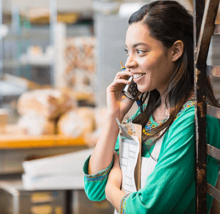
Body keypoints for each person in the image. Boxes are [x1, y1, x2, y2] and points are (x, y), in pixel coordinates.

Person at [83, 1, 220, 213]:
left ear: (175, 51)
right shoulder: (146, 111)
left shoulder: (192, 120)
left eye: (140, 51)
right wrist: (114, 116)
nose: (129, 62)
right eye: (128, 51)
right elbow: (94, 188)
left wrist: (112, 189)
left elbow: (145, 208)